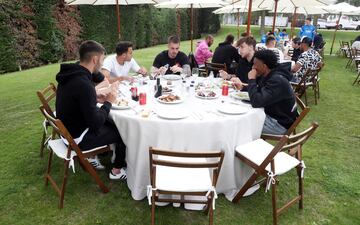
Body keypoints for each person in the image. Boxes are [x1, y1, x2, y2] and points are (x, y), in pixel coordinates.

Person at [55, 40, 127, 180]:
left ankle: (105, 155)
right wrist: (108, 102)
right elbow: (95, 123)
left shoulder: (71, 74)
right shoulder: (84, 84)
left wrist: (94, 97)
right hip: (77, 139)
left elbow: (76, 100)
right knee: (122, 132)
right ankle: (117, 171)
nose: (101, 64)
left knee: (111, 122)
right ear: (95, 59)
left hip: (67, 132)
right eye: (102, 60)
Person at [232, 50, 298, 135]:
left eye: (255, 64)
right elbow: (261, 90)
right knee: (240, 114)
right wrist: (243, 87)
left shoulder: (277, 80)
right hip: (273, 115)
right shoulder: (270, 74)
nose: (253, 67)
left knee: (240, 123)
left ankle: (240, 147)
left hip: (279, 124)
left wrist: (252, 79)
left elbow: (257, 101)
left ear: (264, 66)